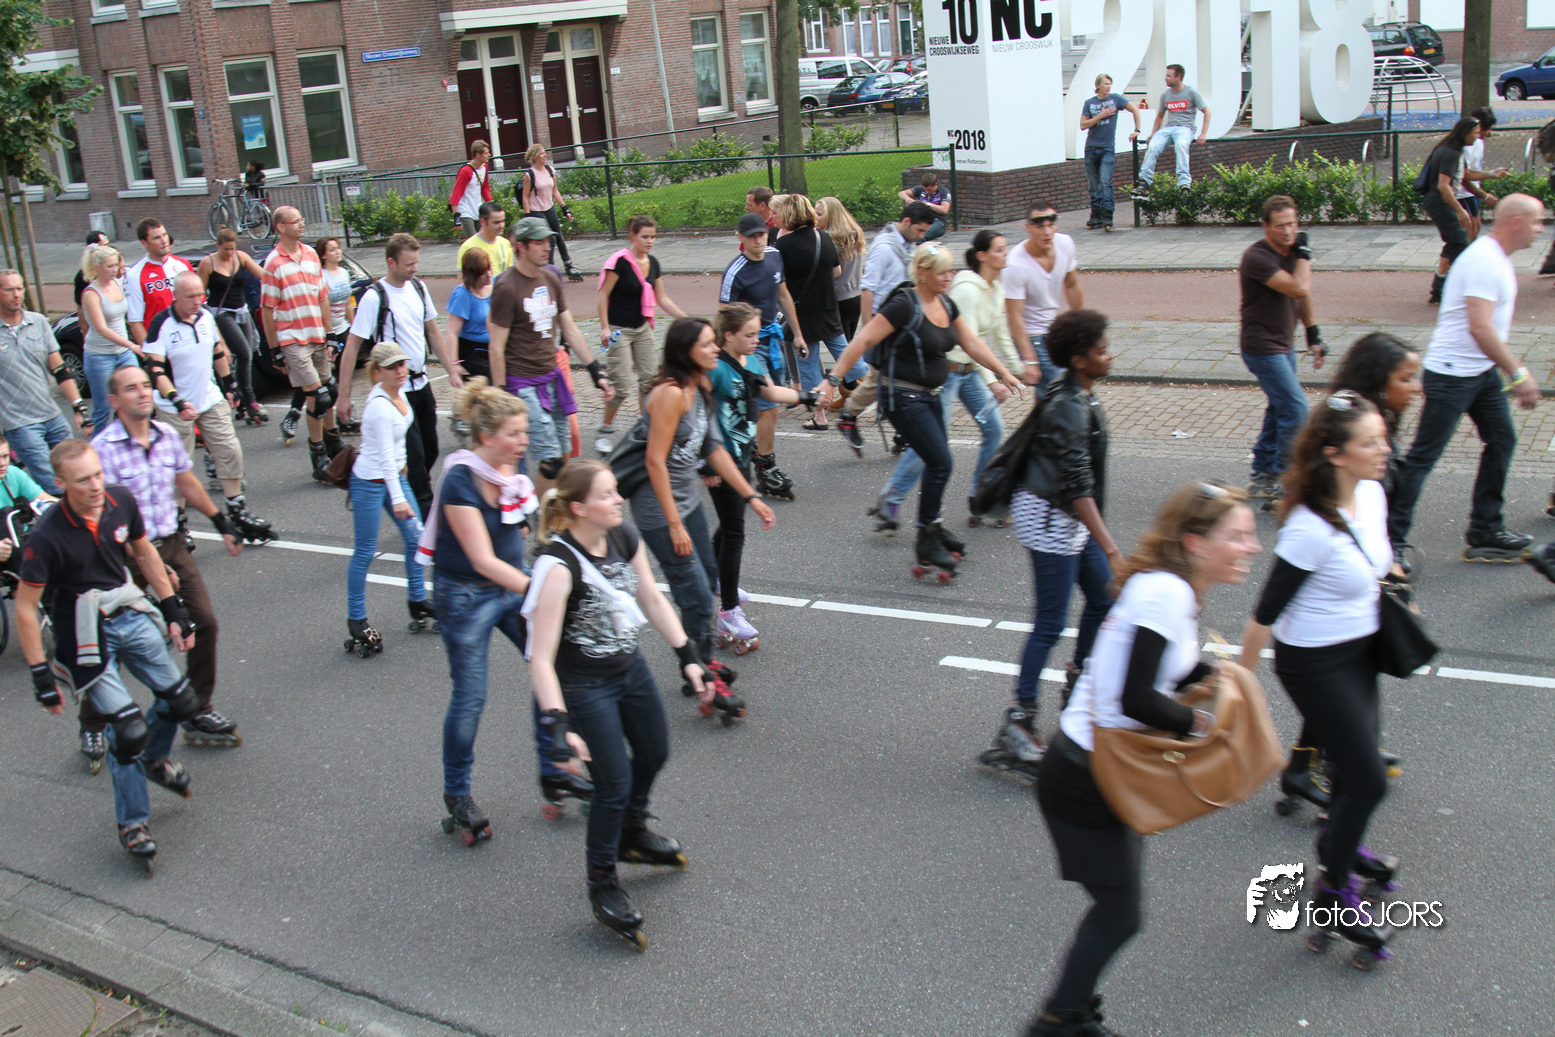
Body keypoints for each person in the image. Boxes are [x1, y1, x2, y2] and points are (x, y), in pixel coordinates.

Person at [1026, 482, 1258, 1036]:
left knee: (1118, 908)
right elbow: (1135, 698)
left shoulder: (1169, 588)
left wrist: (1210, 675)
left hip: (1099, 768)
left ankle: (1069, 1011)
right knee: (1119, 914)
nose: (1251, 547)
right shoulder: (1166, 595)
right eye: (1238, 536)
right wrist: (1201, 725)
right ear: (1196, 541)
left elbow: (1157, 666)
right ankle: (1058, 1021)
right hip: (1086, 774)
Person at [521, 458, 717, 949]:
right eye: (607, 494)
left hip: (630, 668)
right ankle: (602, 881)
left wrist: (688, 657)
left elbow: (651, 598)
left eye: (616, 491)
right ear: (579, 508)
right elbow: (540, 658)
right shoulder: (557, 567)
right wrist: (558, 726)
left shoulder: (624, 536)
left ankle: (631, 831)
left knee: (654, 751)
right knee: (612, 783)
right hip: (585, 685)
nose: (619, 500)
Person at [1239, 393, 1398, 964]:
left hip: (1362, 651)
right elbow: (1265, 612)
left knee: (1357, 768)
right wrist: (1239, 687)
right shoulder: (1309, 527)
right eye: (1369, 442)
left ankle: (1338, 846)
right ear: (1334, 453)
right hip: (1313, 663)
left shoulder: (1373, 493)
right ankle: (1334, 892)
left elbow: (1381, 560)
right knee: (1371, 780)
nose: (1384, 449)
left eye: (1383, 437)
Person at [416, 378, 591, 839]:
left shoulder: (509, 472)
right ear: (486, 436)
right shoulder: (460, 479)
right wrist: (543, 591)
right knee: (471, 696)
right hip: (466, 596)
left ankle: (554, 768)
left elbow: (522, 531)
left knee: (549, 667)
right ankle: (458, 794)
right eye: (514, 433)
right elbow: (482, 559)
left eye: (525, 432)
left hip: (512, 588)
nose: (523, 441)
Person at [16, 439, 199, 873]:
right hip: (82, 631)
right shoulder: (46, 537)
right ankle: (133, 823)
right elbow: (24, 607)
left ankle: (153, 759)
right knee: (127, 731)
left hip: (126, 609)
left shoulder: (119, 500)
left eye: (98, 474)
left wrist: (173, 609)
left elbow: (144, 551)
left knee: (182, 702)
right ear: (60, 484)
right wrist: (41, 676)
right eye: (83, 481)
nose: (96, 486)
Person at [814, 245, 1022, 578]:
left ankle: (932, 527)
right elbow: (862, 341)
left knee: (936, 460)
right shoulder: (904, 305)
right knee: (940, 462)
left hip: (930, 395)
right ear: (922, 273)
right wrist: (832, 380)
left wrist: (1004, 372)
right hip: (901, 396)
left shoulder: (946, 303)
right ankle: (927, 535)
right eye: (942, 272)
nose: (949, 277)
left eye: (951, 270)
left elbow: (971, 343)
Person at [983, 308, 1119, 776]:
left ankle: (1079, 685)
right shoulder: (1068, 406)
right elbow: (1077, 484)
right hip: (1049, 516)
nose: (1110, 355)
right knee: (1051, 622)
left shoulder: (1078, 392)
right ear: (1080, 359)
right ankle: (1018, 723)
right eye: (1102, 350)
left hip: (1067, 513)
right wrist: (1111, 547)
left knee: (1104, 599)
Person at [88, 365, 245, 757]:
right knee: (111, 641)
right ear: (114, 400)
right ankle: (92, 722)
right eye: (131, 388)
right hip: (123, 557)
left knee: (204, 622)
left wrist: (220, 520)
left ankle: (197, 709)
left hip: (170, 544)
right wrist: (151, 567)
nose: (143, 392)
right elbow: (105, 520)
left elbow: (185, 481)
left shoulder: (166, 435)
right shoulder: (103, 449)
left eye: (146, 385)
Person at [1387, 193, 1544, 565]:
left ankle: (1485, 530)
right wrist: (1518, 372)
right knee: (1423, 457)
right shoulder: (1484, 261)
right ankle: (1389, 542)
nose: (1541, 228)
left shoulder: (1495, 258)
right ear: (1516, 222)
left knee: (1502, 440)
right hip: (1452, 375)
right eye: (1537, 221)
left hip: (1479, 372)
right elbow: (1480, 327)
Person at [633, 317, 774, 697]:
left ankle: (700, 652)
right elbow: (654, 462)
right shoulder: (670, 394)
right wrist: (674, 524)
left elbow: (714, 449)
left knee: (709, 575)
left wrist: (751, 496)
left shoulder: (700, 388)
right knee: (693, 592)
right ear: (685, 352)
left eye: (715, 342)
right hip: (658, 509)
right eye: (707, 344)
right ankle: (699, 664)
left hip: (686, 500)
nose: (715, 349)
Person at [872, 229, 1013, 533]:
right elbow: (968, 341)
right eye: (1000, 249)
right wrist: (994, 379)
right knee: (932, 446)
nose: (1006, 255)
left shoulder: (995, 288)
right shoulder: (967, 290)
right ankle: (891, 500)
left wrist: (1014, 368)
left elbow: (999, 334)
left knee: (994, 429)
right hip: (947, 372)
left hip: (970, 372)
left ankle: (979, 496)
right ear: (982, 255)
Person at [707, 303, 812, 652]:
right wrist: (704, 465)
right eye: (749, 334)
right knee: (735, 532)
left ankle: (711, 577)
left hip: (742, 455)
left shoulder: (750, 360)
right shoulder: (714, 368)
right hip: (720, 460)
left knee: (729, 523)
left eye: (756, 333)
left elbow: (769, 392)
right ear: (728, 335)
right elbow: (695, 413)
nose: (756, 339)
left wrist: (808, 397)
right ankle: (728, 610)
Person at [338, 233, 466, 517]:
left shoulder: (418, 287)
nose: (414, 269)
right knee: (416, 458)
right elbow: (352, 346)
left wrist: (451, 370)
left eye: (416, 263)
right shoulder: (375, 297)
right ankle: (425, 520)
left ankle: (401, 489)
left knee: (431, 449)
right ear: (391, 262)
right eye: (408, 264)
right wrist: (343, 397)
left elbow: (432, 331)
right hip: (396, 391)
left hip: (421, 384)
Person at [486, 216, 614, 498]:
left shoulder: (550, 278)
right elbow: (496, 346)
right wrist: (501, 393)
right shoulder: (507, 287)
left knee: (564, 454)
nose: (547, 247)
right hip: (522, 383)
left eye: (548, 241)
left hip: (552, 377)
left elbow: (569, 328)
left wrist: (595, 371)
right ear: (521, 246)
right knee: (551, 461)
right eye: (539, 243)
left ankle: (551, 510)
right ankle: (541, 515)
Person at [145, 271, 274, 541]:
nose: (197, 301)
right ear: (175, 296)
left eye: (200, 295)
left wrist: (230, 384)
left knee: (230, 451)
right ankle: (179, 524)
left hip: (209, 397)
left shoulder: (205, 316)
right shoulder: (161, 324)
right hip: (173, 405)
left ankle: (237, 511)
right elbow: (155, 371)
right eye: (190, 297)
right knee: (179, 465)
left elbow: (216, 351)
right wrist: (177, 400)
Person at [343, 342, 433, 654]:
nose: (399, 371)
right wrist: (399, 499)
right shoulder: (379, 407)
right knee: (365, 551)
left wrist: (403, 465)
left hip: (395, 476)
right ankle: (356, 619)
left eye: (402, 364)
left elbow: (398, 444)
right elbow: (382, 459)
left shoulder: (400, 393)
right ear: (378, 371)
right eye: (392, 367)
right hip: (370, 482)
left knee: (416, 539)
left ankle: (418, 600)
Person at [1239, 195, 1326, 505]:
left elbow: (1303, 295)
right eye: (1280, 226)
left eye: (1292, 224)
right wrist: (1304, 254)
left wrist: (1313, 334)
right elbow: (1298, 287)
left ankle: (1264, 473)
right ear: (1265, 226)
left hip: (1284, 344)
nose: (1288, 231)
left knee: (1280, 408)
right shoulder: (1257, 258)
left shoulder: (1293, 254)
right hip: (1261, 347)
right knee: (1295, 409)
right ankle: (1286, 480)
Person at [718, 212, 808, 500]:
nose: (758, 240)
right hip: (748, 347)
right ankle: (766, 467)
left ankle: (755, 452)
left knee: (767, 406)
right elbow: (723, 318)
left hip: (772, 339)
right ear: (741, 239)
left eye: (762, 235)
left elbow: (783, 294)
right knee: (768, 403)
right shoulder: (735, 272)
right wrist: (728, 356)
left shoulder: (774, 256)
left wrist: (798, 334)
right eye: (752, 236)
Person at [594, 215, 688, 454]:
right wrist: (604, 327)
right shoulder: (620, 262)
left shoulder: (653, 262)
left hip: (642, 327)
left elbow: (662, 297)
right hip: (619, 330)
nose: (649, 241)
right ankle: (605, 429)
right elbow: (603, 295)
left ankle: (644, 426)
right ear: (632, 236)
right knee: (621, 385)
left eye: (653, 237)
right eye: (645, 237)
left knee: (650, 380)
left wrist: (685, 318)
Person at [261, 206, 341, 481]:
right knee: (317, 397)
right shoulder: (273, 263)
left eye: (302, 219)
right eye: (295, 221)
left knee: (330, 391)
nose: (301, 224)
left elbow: (322, 297)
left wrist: (330, 334)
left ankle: (333, 444)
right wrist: (274, 348)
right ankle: (318, 455)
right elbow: (267, 309)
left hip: (316, 332)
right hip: (292, 337)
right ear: (281, 227)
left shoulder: (310, 254)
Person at [773, 194, 865, 432]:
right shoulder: (823, 237)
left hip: (802, 311)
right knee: (845, 353)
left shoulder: (783, 245)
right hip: (828, 306)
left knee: (808, 363)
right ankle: (878, 392)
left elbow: (777, 281)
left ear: (789, 215)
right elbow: (836, 271)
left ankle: (820, 416)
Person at [0, 268, 90, 484]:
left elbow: (59, 369)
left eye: (20, 288)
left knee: (75, 471)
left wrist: (79, 407)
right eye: (9, 289)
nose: (16, 294)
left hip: (51, 414)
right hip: (19, 423)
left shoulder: (38, 322)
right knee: (52, 482)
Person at [1005, 201, 1083, 387]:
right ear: (1029, 227)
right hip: (1031, 335)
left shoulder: (1065, 244)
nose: (1047, 232)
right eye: (1040, 227)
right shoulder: (1015, 264)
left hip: (1054, 330)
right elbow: (1014, 316)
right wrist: (1029, 359)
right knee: (1064, 386)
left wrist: (1080, 325)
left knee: (1048, 394)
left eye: (1051, 225)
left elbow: (1072, 284)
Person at [197, 229, 268, 426]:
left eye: (232, 249)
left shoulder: (241, 257)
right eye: (225, 249)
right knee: (243, 352)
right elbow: (199, 293)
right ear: (218, 246)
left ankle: (241, 398)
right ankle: (251, 401)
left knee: (247, 355)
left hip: (241, 310)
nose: (229, 253)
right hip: (221, 313)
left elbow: (264, 275)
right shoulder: (208, 263)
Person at [1417, 118, 1482, 305]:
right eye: (1475, 133)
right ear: (1466, 133)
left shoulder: (1451, 150)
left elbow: (1464, 176)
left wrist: (1486, 188)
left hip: (1437, 200)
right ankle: (1455, 288)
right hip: (1440, 201)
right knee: (1461, 242)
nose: (1477, 137)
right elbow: (1443, 186)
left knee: (1454, 243)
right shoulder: (1450, 153)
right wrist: (1460, 210)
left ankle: (1439, 290)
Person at [78, 243, 141, 432]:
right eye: (110, 266)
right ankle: (98, 444)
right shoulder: (91, 294)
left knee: (135, 395)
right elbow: (101, 328)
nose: (115, 270)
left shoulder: (117, 283)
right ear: (97, 267)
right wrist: (131, 345)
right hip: (100, 355)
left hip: (123, 352)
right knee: (103, 407)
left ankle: (130, 436)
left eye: (116, 265)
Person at [1130, 63, 1210, 198]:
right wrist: (1153, 133)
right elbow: (1159, 117)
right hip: (1169, 128)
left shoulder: (1191, 92)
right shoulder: (1165, 95)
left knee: (1181, 145)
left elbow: (1207, 111)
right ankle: (1144, 183)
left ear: (1178, 77)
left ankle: (1184, 183)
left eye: (1168, 76)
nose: (1165, 78)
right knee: (1153, 146)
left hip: (1185, 127)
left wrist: (1203, 133)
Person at [1078, 73, 1141, 231]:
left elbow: (1135, 109)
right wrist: (1101, 115)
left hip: (1107, 148)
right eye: (1105, 84)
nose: (1108, 86)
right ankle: (1096, 215)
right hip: (1091, 147)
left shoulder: (1115, 99)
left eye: (1110, 84)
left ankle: (1107, 214)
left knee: (1106, 181)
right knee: (1093, 183)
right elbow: (1083, 125)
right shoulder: (1090, 103)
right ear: (1098, 85)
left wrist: (1137, 130)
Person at [124, 219, 193, 350]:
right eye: (156, 238)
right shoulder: (135, 275)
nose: (164, 241)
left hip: (189, 340)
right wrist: (150, 354)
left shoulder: (183, 265)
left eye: (164, 235)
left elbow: (200, 305)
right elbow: (135, 321)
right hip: (161, 345)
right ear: (144, 243)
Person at [521, 144, 581, 279]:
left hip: (550, 208)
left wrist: (565, 208)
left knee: (558, 236)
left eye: (545, 153)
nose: (545, 155)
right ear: (534, 156)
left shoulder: (550, 170)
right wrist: (527, 216)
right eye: (542, 153)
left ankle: (569, 265)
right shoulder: (529, 175)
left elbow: (555, 191)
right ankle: (548, 267)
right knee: (549, 238)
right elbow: (525, 197)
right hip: (536, 211)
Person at [816, 196, 867, 339]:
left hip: (838, 296)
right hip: (856, 294)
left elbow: (830, 270)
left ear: (831, 216)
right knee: (848, 340)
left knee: (841, 345)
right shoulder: (854, 234)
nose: (815, 218)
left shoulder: (828, 239)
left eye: (819, 214)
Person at [446, 247, 495, 384]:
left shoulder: (496, 284)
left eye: (489, 269)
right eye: (482, 273)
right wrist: (454, 364)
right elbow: (452, 332)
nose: (488, 275)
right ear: (472, 275)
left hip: (494, 348)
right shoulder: (463, 295)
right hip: (473, 353)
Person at [1457, 108, 1506, 243]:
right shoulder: (1466, 145)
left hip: (1472, 191)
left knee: (1476, 227)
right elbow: (1464, 174)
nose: (1487, 132)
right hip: (1461, 193)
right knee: (1469, 232)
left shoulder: (1478, 142)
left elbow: (1474, 169)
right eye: (1485, 128)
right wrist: (1491, 175)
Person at [449, 141, 493, 239]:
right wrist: (456, 217)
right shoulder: (466, 171)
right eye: (486, 153)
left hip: (478, 209)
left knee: (483, 239)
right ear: (478, 154)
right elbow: (456, 193)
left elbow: (485, 188)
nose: (489, 155)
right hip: (466, 211)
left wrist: (491, 206)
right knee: (473, 240)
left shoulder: (484, 167)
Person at [896, 172, 951, 241]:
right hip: (923, 219)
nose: (926, 192)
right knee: (908, 233)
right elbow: (901, 193)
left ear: (936, 185)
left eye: (929, 190)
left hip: (938, 221)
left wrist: (927, 204)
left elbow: (945, 210)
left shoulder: (944, 192)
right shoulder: (920, 189)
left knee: (921, 236)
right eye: (925, 189)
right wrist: (908, 199)